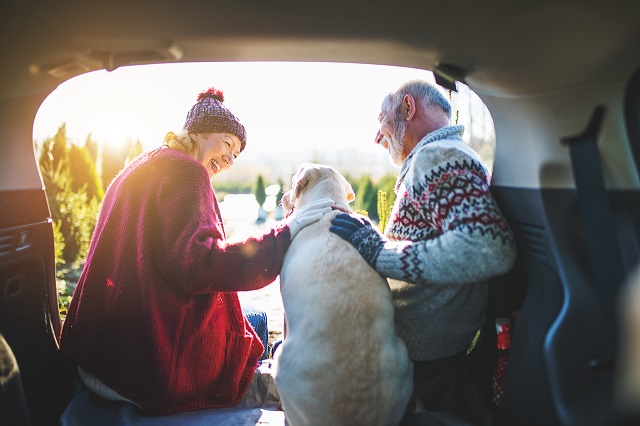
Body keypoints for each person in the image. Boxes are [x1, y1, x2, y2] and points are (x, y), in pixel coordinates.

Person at [59, 87, 333, 416]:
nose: (231, 159)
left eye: (237, 155)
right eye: (228, 144)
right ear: (199, 133)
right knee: (257, 339)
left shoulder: (141, 166)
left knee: (253, 322)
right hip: (148, 369)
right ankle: (251, 392)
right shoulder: (188, 172)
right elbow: (199, 265)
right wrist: (284, 235)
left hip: (101, 357)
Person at [330, 79, 516, 424]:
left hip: (423, 369)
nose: (376, 136)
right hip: (416, 357)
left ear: (408, 108)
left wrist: (377, 251)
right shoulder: (433, 159)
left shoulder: (438, 156)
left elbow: (488, 247)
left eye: (381, 118)